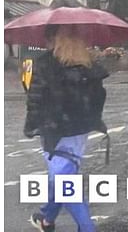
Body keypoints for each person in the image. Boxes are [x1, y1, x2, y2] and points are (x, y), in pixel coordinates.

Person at [24, 24, 109, 232]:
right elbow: (99, 97)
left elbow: (35, 100)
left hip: (55, 130)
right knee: (64, 174)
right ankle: (47, 217)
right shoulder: (88, 63)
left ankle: (87, 228)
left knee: (63, 181)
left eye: (47, 38)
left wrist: (31, 125)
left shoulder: (45, 64)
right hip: (80, 129)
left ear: (54, 39)